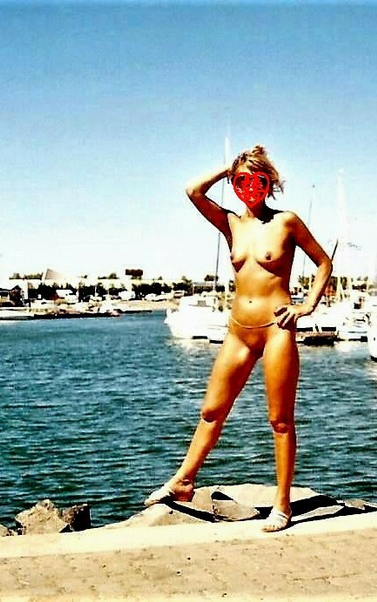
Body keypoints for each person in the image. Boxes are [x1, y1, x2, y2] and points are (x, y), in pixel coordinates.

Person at [145, 145, 333, 532]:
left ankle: (282, 504)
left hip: (276, 329)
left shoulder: (286, 222)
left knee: (280, 421)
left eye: (257, 180)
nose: (250, 188)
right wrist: (227, 168)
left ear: (269, 183)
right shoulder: (230, 223)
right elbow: (193, 191)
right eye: (241, 181)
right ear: (234, 183)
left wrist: (307, 306)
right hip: (238, 331)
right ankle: (183, 480)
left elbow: (323, 262)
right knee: (211, 411)